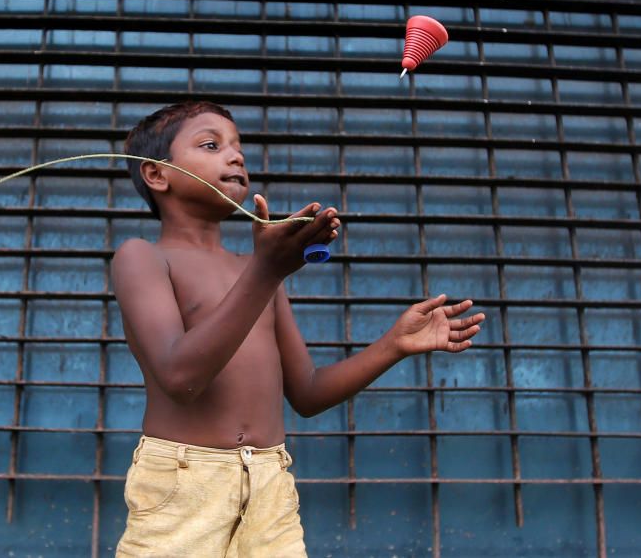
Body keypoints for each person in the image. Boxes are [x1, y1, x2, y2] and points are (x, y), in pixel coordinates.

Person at [111, 101, 485, 557]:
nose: (236, 156)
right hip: (182, 486)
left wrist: (394, 344)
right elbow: (180, 378)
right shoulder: (143, 258)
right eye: (212, 144)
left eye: (238, 146)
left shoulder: (257, 270)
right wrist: (268, 271)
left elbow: (306, 394)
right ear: (156, 174)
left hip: (270, 487)